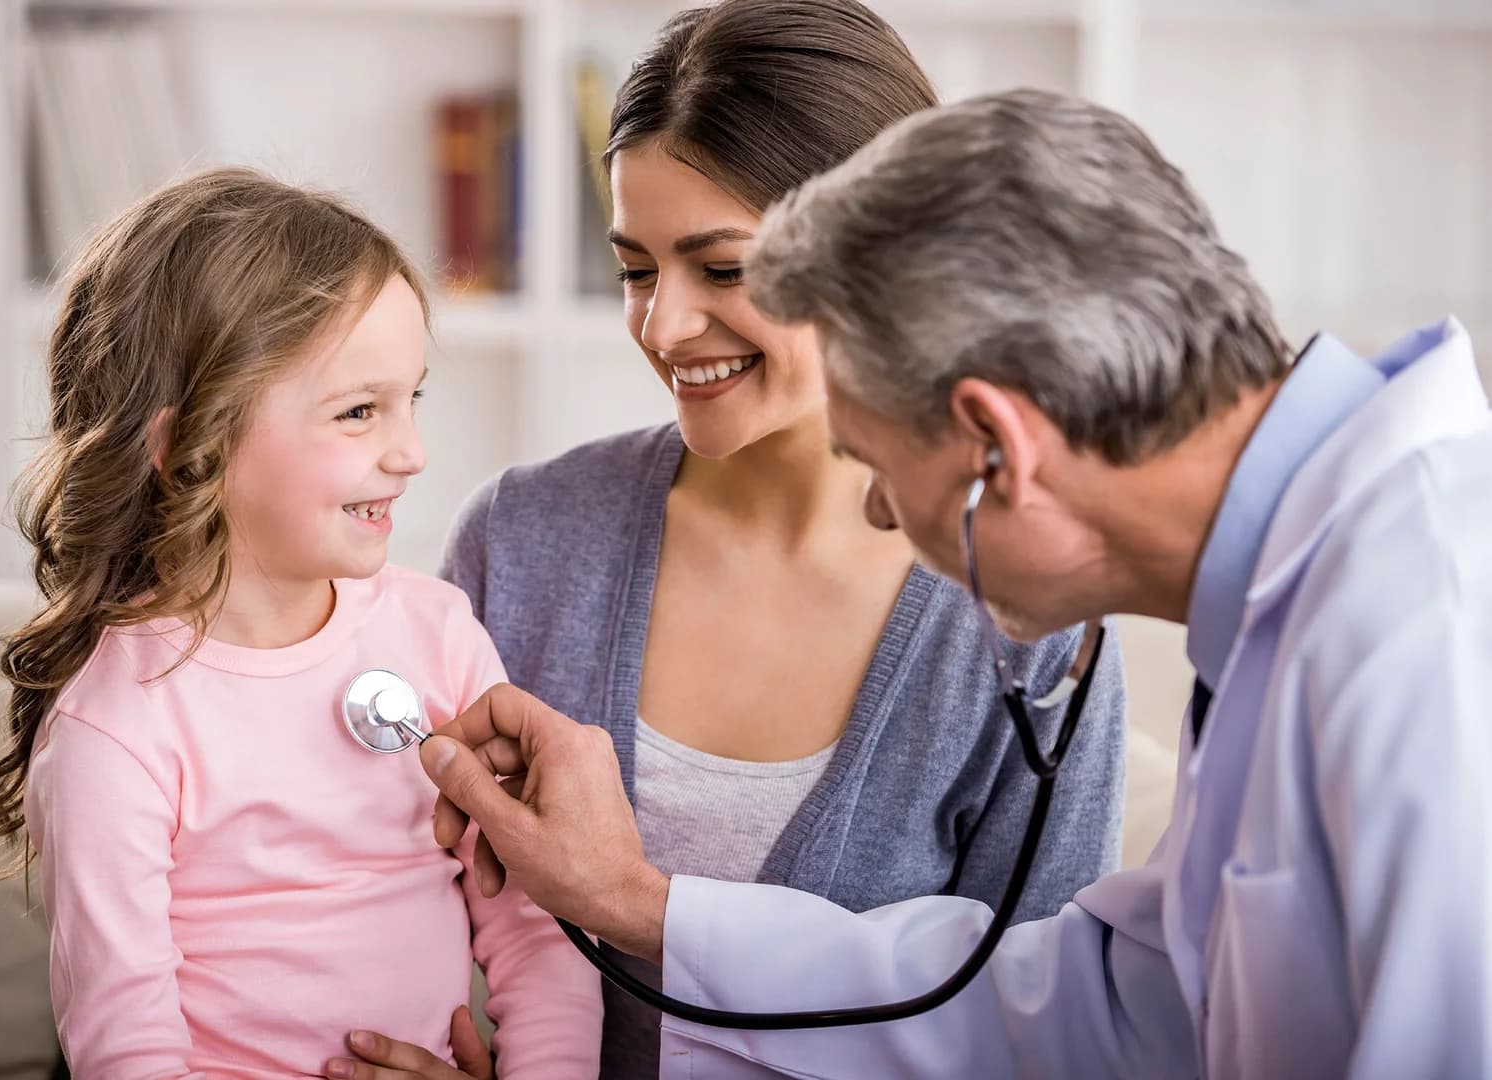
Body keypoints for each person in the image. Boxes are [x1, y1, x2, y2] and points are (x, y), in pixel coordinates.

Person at [348, 89, 1492, 1078]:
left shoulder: (1418, 631)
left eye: (880, 466)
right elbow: (1114, 1005)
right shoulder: (1303, 605)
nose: (882, 512)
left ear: (997, 442)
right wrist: (640, 905)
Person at [435, 4, 1126, 1075]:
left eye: (720, 269)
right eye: (633, 269)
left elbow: (1048, 1032)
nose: (660, 328)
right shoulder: (517, 541)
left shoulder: (1029, 618)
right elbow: (390, 907)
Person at [0, 169, 601, 1078]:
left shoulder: (438, 634)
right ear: (187, 446)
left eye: (414, 399)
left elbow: (539, 935)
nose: (410, 452)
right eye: (359, 411)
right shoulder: (119, 723)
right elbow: (127, 1047)